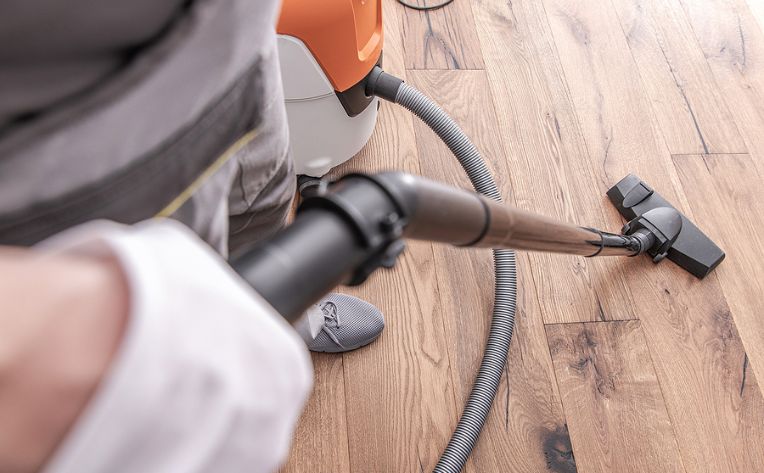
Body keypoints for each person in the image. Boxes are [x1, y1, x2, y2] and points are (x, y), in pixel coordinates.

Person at [0, 0, 384, 471]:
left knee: (264, 198)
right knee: (181, 263)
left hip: (235, 47)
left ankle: (288, 307)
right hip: (75, 140)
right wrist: (83, 328)